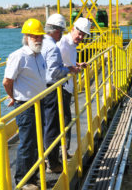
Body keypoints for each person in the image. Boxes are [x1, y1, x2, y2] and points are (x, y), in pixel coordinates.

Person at [2, 18, 46, 190]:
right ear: (26, 37)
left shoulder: (39, 55)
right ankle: (23, 180)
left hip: (39, 102)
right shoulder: (18, 56)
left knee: (37, 142)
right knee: (27, 142)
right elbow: (7, 81)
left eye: (40, 36)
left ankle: (33, 175)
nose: (38, 39)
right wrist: (13, 97)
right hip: (26, 106)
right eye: (34, 36)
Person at [41, 13, 80, 173]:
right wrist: (69, 69)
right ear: (56, 30)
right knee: (52, 127)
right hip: (51, 90)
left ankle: (44, 160)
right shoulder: (52, 47)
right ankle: (53, 163)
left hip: (40, 88)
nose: (61, 35)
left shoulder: (40, 44)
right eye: (61, 31)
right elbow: (54, 72)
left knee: (43, 125)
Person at [57, 17, 91, 152]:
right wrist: (71, 69)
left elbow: (66, 60)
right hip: (61, 86)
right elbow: (54, 64)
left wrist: (77, 65)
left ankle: (63, 152)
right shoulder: (62, 43)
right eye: (79, 33)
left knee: (67, 120)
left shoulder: (72, 45)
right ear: (72, 29)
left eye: (83, 35)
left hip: (68, 86)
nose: (81, 37)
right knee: (64, 120)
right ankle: (61, 154)